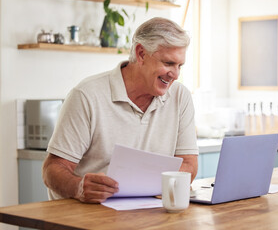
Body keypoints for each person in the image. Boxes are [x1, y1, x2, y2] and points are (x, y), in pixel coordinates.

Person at [42, 17, 199, 204]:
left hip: (146, 212)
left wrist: (154, 186)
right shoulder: (87, 95)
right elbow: (52, 169)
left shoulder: (180, 96)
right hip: (86, 213)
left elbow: (188, 164)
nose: (175, 74)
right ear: (141, 53)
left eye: (179, 66)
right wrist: (78, 187)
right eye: (168, 63)